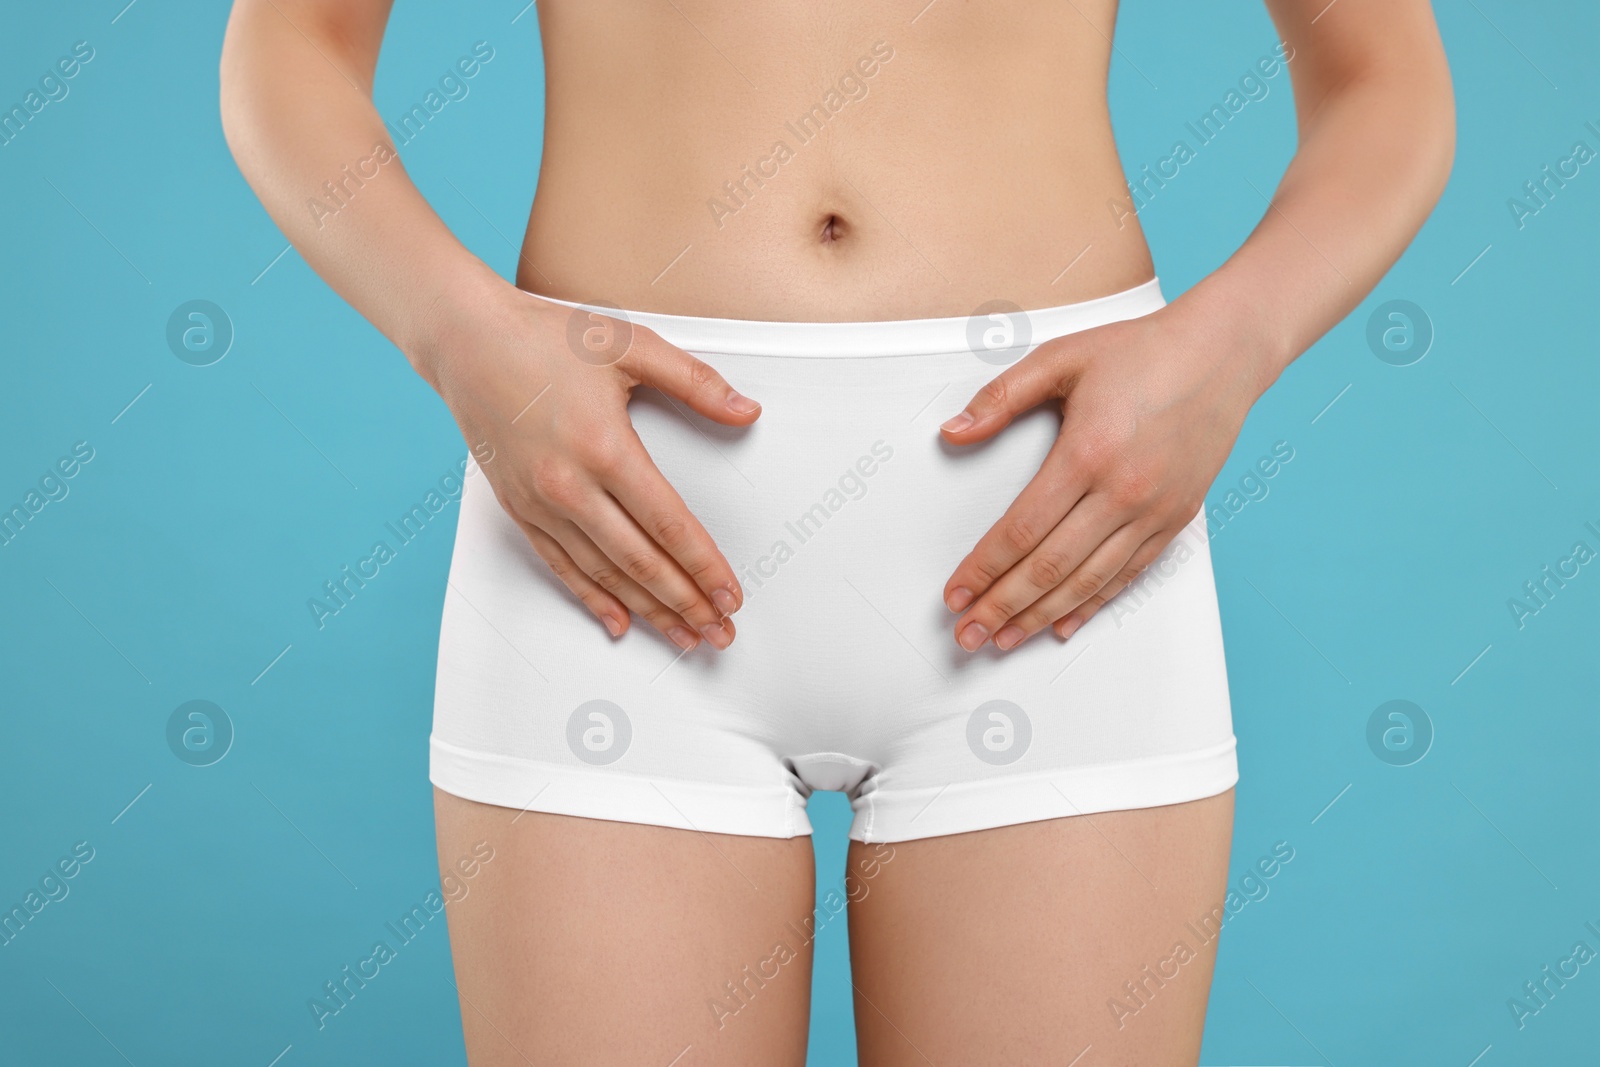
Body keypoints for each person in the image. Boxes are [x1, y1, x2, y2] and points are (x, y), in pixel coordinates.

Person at [220, 1, 1453, 1063]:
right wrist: (462, 337)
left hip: (1056, 518)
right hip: (599, 510)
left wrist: (1227, 348)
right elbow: (287, 45)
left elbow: (1385, 79)